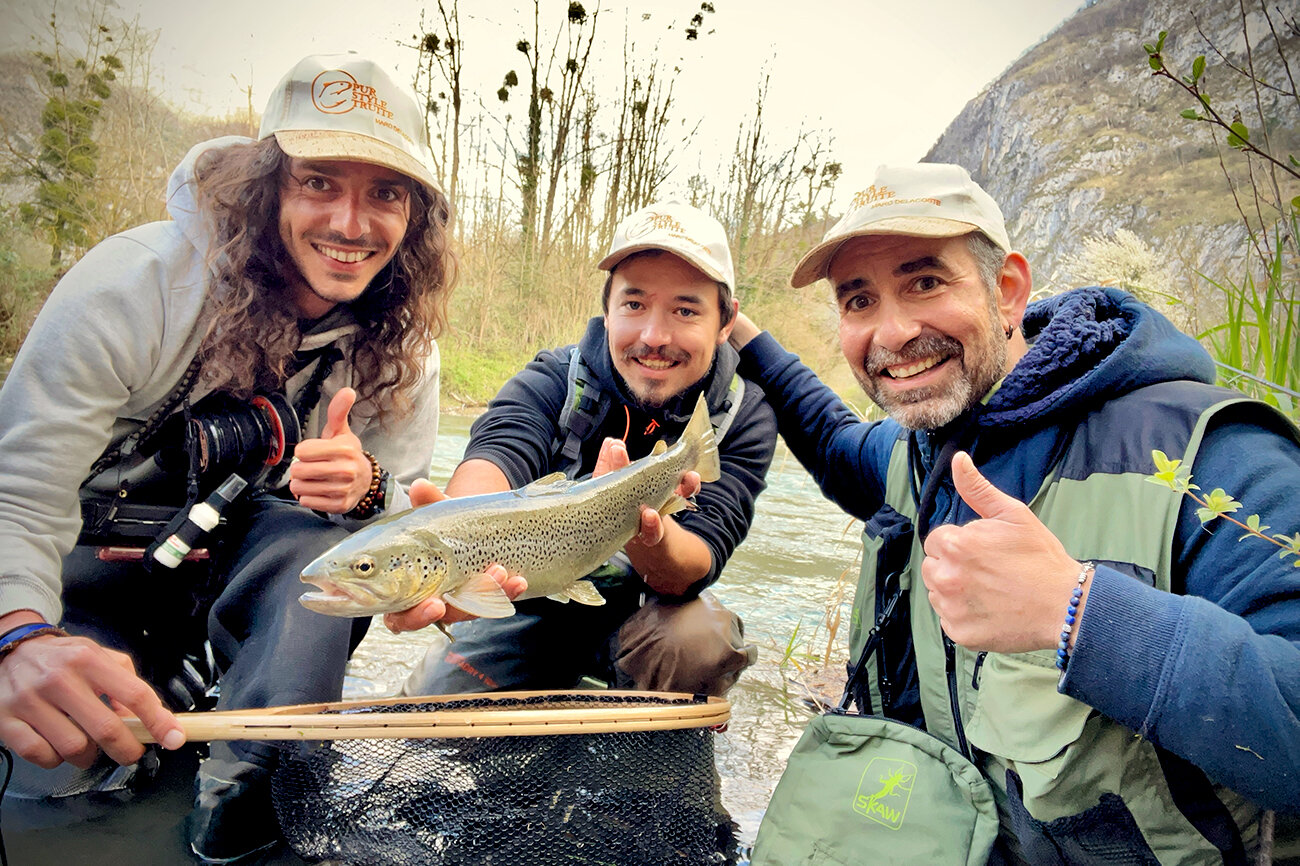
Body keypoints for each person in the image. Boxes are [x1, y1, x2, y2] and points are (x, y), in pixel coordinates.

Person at [0, 51, 522, 864]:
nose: (352, 223)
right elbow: (17, 494)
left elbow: (396, 542)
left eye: (384, 193)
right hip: (82, 590)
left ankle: (265, 801)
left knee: (324, 546)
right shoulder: (131, 287)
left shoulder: (404, 354)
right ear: (267, 184)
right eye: (320, 181)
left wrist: (368, 491)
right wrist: (17, 638)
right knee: (56, 791)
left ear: (414, 216)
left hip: (258, 611)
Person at [731, 163, 1299, 861]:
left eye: (925, 282)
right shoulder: (921, 452)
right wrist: (736, 331)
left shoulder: (1212, 456)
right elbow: (830, 437)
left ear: (1008, 291)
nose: (893, 332)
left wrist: (1080, 613)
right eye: (858, 301)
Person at [395, 202, 777, 699]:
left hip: (650, 618)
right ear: (608, 309)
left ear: (726, 323)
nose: (654, 337)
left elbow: (696, 566)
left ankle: (648, 761)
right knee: (429, 717)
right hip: (531, 601)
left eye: (685, 310)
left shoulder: (743, 415)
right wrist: (457, 538)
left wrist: (639, 525)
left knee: (700, 642)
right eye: (634, 305)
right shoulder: (552, 378)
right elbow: (500, 451)